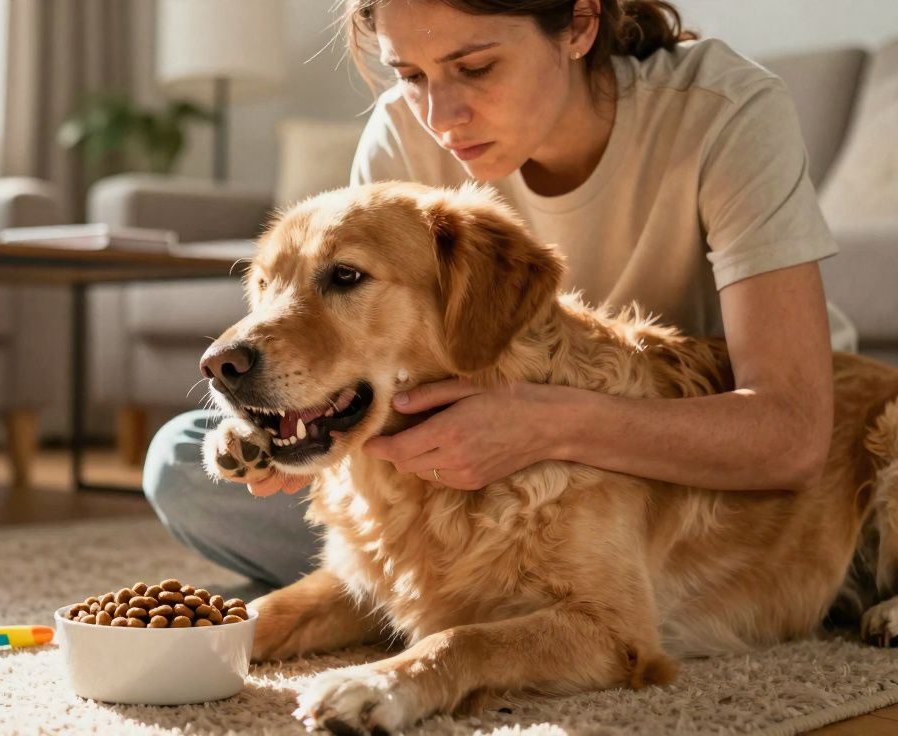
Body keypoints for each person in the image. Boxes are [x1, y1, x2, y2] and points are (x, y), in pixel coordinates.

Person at [142, 0, 849, 590]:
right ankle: (469, 590)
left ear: (578, 24)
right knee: (182, 462)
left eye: (475, 68)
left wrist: (551, 425)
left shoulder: (725, 111)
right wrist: (307, 428)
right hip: (472, 467)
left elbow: (791, 436)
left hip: (687, 459)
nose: (442, 116)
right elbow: (384, 372)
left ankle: (448, 596)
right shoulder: (400, 134)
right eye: (411, 74)